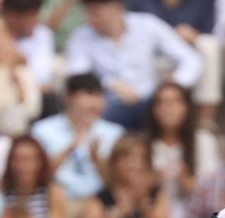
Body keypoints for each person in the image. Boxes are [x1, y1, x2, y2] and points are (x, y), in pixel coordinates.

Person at [65, 0, 204, 128]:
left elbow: (191, 59)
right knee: (92, 108)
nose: (90, 18)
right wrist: (109, 84)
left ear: (115, 7)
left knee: (169, 106)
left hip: (152, 99)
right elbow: (78, 77)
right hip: (110, 102)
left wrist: (173, 84)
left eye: (96, 11)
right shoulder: (81, 36)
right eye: (88, 11)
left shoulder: (147, 24)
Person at [31, 74, 128, 201]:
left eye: (99, 96)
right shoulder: (41, 130)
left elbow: (120, 183)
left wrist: (97, 159)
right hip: (55, 202)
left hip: (101, 204)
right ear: (68, 97)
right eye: (89, 94)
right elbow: (35, 177)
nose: (96, 103)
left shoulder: (115, 133)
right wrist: (69, 149)